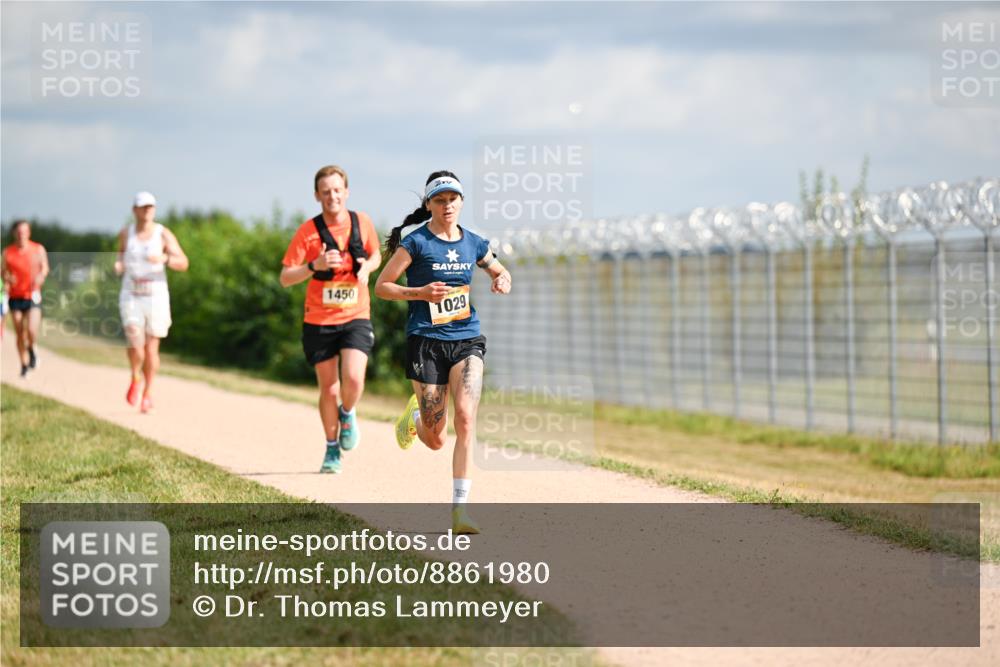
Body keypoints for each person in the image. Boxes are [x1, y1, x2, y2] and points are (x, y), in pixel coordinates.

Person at [375, 171, 511, 534]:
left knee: (465, 418)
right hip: (426, 341)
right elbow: (383, 286)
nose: (447, 205)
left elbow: (499, 270)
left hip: (467, 339)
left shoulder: (475, 243)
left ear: (462, 202)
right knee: (436, 439)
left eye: (452, 199)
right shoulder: (415, 243)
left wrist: (502, 278)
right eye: (439, 200)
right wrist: (420, 293)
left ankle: (460, 511)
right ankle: (416, 419)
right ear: (429, 204)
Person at [280, 165, 382, 474]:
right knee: (329, 388)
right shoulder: (308, 232)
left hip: (355, 315)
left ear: (346, 192)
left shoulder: (362, 222)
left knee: (353, 378)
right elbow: (286, 277)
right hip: (319, 319)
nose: (332, 196)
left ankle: (347, 413)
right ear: (317, 195)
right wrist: (315, 265)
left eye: (337, 190)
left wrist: (367, 269)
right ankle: (331, 448)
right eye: (325, 192)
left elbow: (376, 255)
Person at [115, 191, 189, 413]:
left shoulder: (162, 234)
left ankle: (147, 393)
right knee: (135, 343)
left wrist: (165, 259)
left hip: (155, 295)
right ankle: (135, 377)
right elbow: (120, 256)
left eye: (151, 207)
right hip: (131, 293)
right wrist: (119, 265)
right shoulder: (126, 233)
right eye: (143, 207)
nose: (147, 211)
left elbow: (183, 262)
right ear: (135, 210)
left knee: (151, 349)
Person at [1, 220, 49, 377]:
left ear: (29, 233)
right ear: (14, 233)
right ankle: (23, 364)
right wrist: (8, 279)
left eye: (24, 231)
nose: (22, 234)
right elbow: (3, 272)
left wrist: (41, 277)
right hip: (15, 297)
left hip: (33, 295)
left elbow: (45, 268)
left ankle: (32, 349)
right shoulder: (8, 252)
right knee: (20, 332)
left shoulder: (38, 249)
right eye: (19, 231)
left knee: (31, 330)